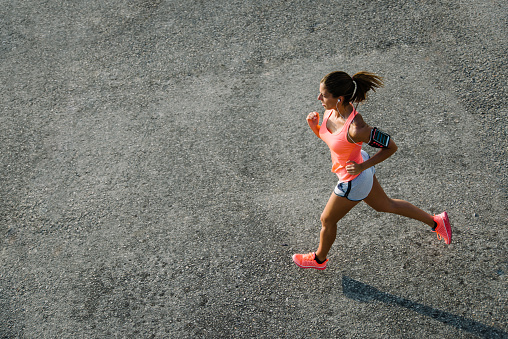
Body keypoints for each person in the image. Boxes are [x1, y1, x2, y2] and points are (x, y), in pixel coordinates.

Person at [292, 71, 452, 270]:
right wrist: (314, 127)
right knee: (386, 205)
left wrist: (361, 167)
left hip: (354, 179)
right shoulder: (330, 112)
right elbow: (333, 142)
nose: (318, 98)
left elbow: (391, 147)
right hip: (356, 170)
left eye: (323, 95)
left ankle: (318, 260)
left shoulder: (357, 128)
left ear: (339, 98)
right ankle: (437, 222)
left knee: (327, 219)